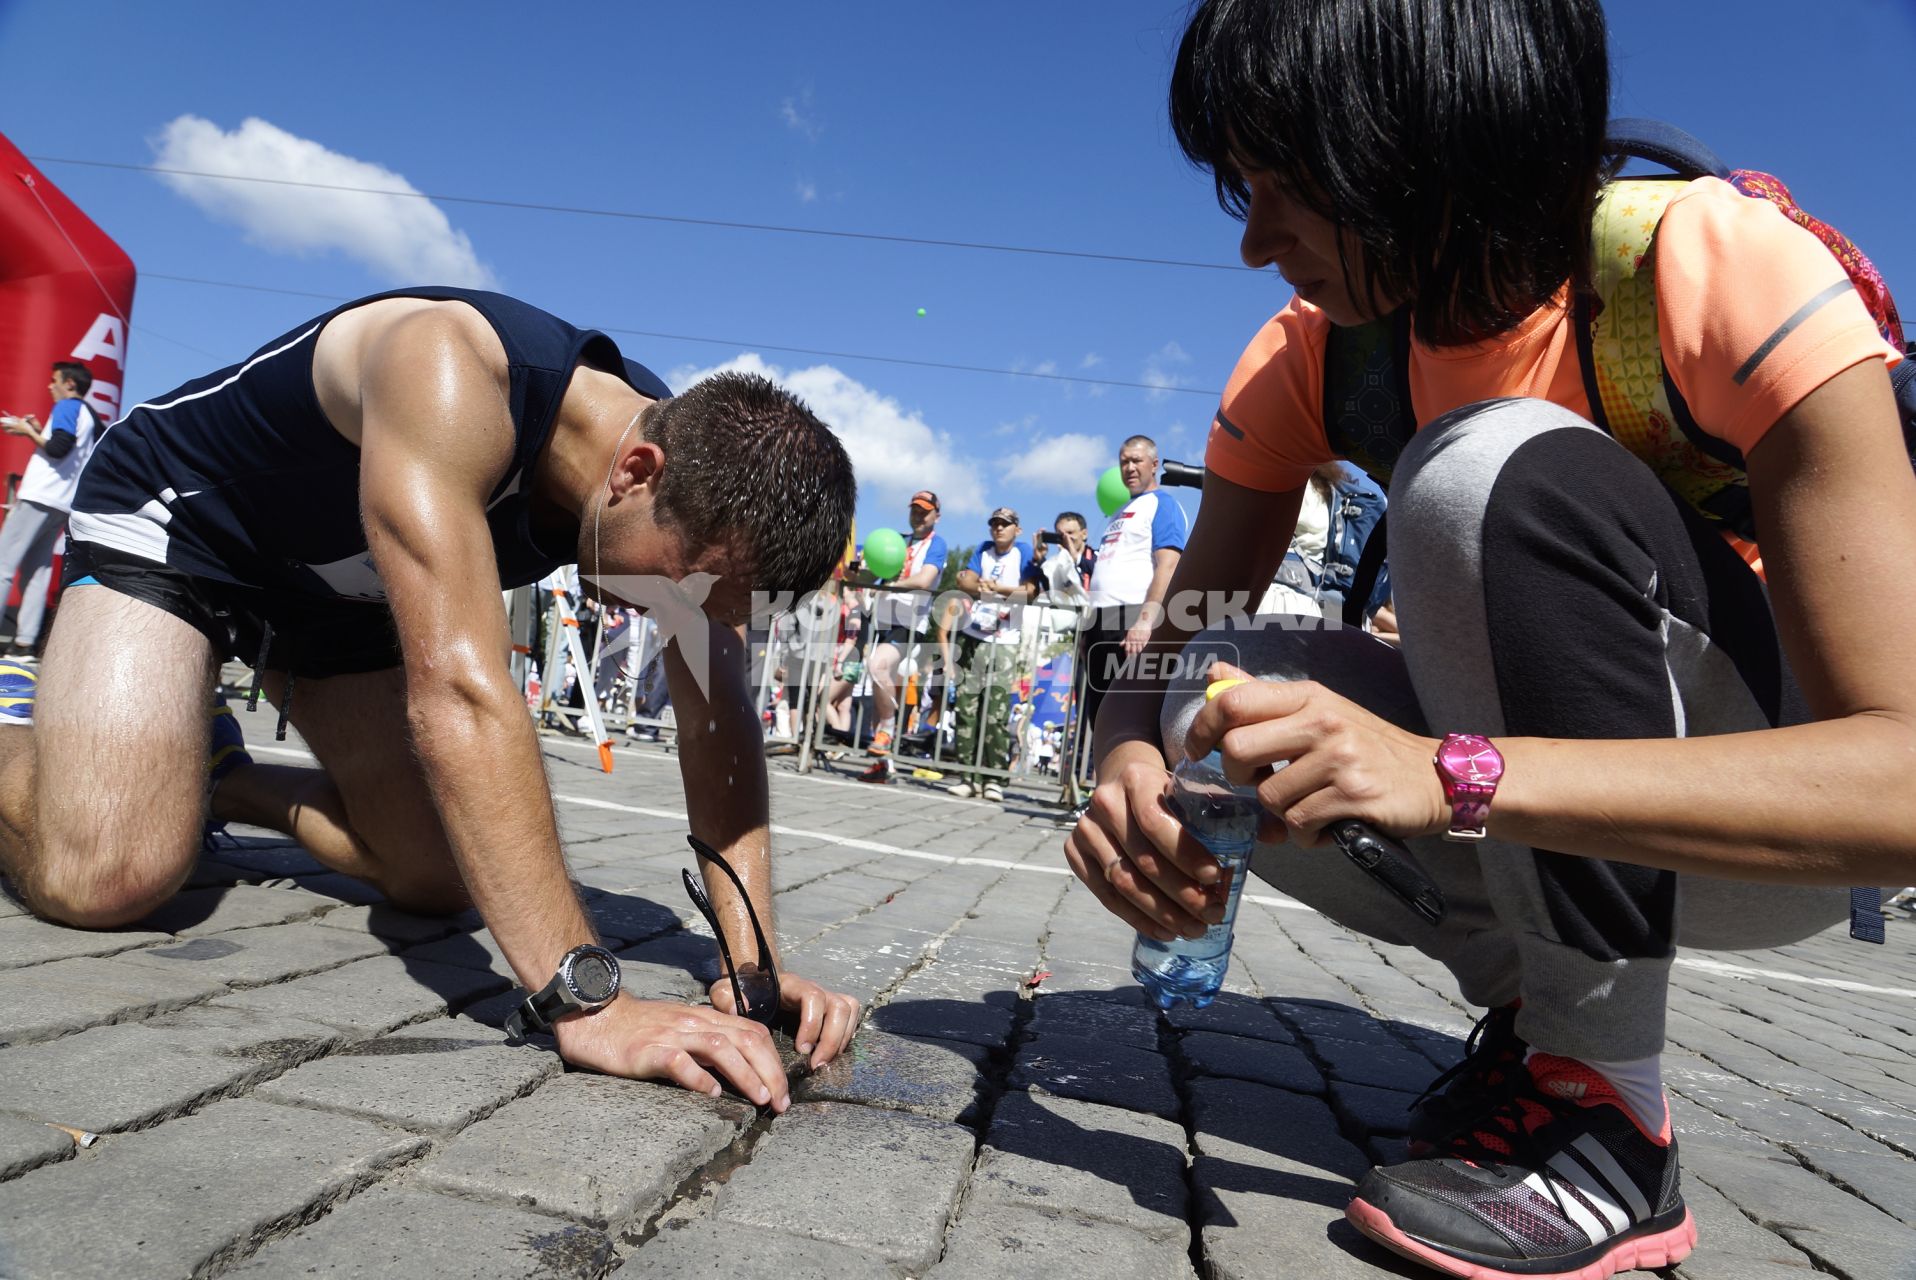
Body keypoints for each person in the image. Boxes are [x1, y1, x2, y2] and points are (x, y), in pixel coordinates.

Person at [1065, 4, 1914, 1279]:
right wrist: (1124, 758)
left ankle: (1606, 1116)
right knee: (1208, 688)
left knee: (1477, 475)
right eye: (1244, 186)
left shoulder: (1713, 265)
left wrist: (1446, 770)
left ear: (1427, 143)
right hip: (1533, 815)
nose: (1251, 242)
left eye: (1290, 185)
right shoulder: (1314, 351)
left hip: (1765, 823)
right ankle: (1533, 1023)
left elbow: (1899, 785)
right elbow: (1184, 622)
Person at [1, 287, 864, 1105]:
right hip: (186, 532)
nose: (684, 618)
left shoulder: (692, 494)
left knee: (442, 875)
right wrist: (590, 1003)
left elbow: (717, 721)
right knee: (107, 879)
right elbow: (458, 692)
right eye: (686, 589)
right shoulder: (451, 367)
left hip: (341, 595)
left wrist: (752, 975)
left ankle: (212, 771)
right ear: (635, 470)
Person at [1077, 438, 1188, 755]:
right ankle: (1102, 795)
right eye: (1124, 461)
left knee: (1127, 718)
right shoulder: (1119, 512)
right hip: (1100, 619)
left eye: (1136, 461)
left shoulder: (1161, 504)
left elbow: (1168, 565)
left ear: (1154, 464)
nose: (1129, 468)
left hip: (1131, 618)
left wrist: (1145, 621)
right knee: (1098, 714)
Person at [0, 362, 103, 658]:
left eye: (54, 380)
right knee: (37, 570)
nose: (49, 385)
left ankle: (23, 640)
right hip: (63, 501)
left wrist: (24, 430)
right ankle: (24, 643)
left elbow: (58, 448)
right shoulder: (90, 414)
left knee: (3, 565)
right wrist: (34, 430)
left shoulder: (67, 406)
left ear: (69, 383)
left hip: (39, 496)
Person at [852, 491, 946, 781]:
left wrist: (894, 585)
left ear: (936, 516)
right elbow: (875, 575)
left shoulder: (936, 543)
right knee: (881, 683)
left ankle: (887, 730)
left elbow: (925, 579)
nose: (919, 516)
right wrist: (860, 571)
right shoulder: (898, 541)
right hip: (884, 619)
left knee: (877, 667)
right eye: (915, 510)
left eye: (925, 511)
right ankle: (883, 765)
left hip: (909, 623)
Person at [946, 507, 1034, 802]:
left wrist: (996, 588)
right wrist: (986, 588)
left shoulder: (1023, 551)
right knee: (966, 707)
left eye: (1005, 524)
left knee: (995, 712)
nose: (999, 529)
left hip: (1005, 639)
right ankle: (967, 775)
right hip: (974, 635)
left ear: (1016, 529)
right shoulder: (982, 550)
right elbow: (965, 582)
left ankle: (993, 777)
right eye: (994, 524)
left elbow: (1030, 592)